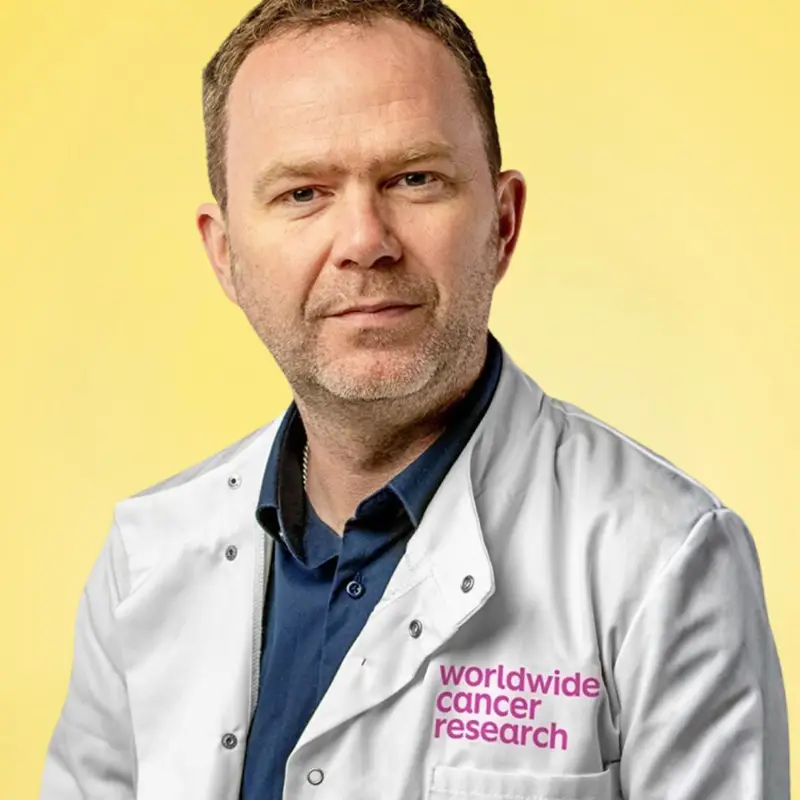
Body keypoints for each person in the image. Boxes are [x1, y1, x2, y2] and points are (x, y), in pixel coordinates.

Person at [41, 0, 789, 798]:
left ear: (503, 222)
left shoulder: (663, 559)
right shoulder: (146, 558)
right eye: (303, 193)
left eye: (414, 179)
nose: (365, 241)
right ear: (225, 254)